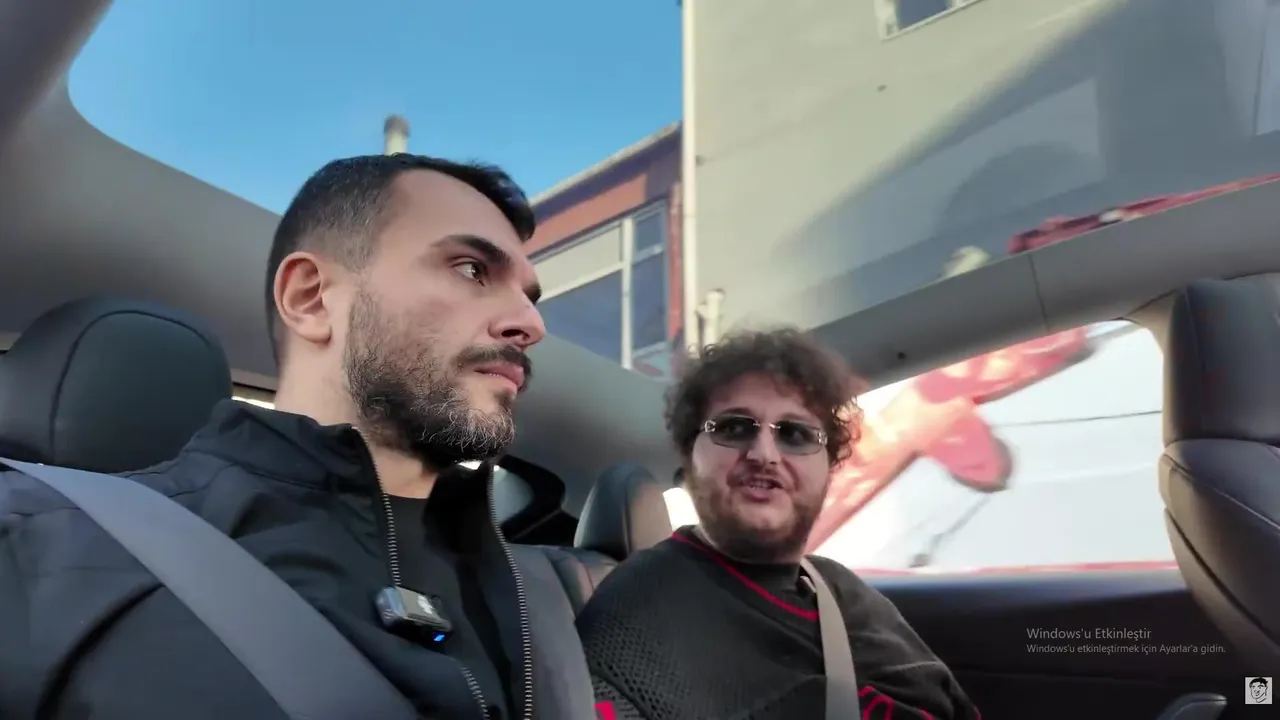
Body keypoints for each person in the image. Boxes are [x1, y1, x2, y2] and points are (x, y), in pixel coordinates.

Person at [0, 154, 550, 719]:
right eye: (471, 270)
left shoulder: (545, 594)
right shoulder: (35, 550)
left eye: (530, 297)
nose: (531, 325)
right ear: (310, 298)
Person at [578, 328, 981, 720]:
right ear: (689, 455)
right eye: (734, 428)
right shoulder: (635, 612)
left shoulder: (846, 593)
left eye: (796, 434)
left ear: (829, 466)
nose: (764, 454)